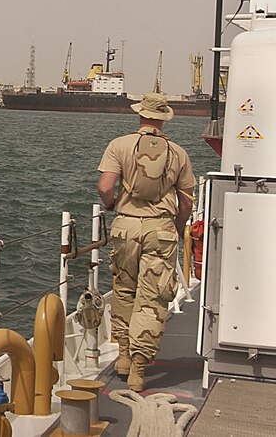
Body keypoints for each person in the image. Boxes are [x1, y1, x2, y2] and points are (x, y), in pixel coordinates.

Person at [96, 92, 195, 392]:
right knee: (152, 298)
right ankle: (139, 370)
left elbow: (105, 186)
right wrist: (175, 228)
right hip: (161, 230)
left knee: (124, 290)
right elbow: (187, 202)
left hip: (125, 227)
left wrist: (112, 204)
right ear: (164, 118)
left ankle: (124, 357)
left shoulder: (119, 145)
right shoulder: (178, 153)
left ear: (140, 114)